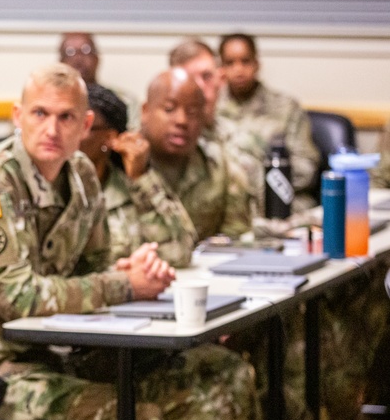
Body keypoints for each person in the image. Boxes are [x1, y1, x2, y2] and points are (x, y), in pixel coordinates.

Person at [0, 63, 340, 420]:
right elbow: (12, 296)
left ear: (87, 124)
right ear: (17, 117)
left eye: (66, 117)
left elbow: (92, 268)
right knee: (132, 416)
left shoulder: (80, 176)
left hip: (43, 353)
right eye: (39, 114)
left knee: (217, 371)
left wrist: (132, 269)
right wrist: (123, 284)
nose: (52, 129)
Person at [79, 83, 197, 267]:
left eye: (83, 126)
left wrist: (140, 178)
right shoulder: (55, 184)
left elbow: (179, 252)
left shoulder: (131, 184)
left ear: (110, 137)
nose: (63, 131)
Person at [142, 69, 253, 240]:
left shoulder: (219, 165)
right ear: (145, 111)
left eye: (192, 112)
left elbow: (237, 241)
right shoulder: (122, 164)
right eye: (169, 109)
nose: (182, 121)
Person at [216, 33, 320, 211]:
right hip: (227, 207)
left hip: (277, 202)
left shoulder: (286, 108)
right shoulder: (211, 109)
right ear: (221, 68)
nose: (239, 70)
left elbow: (306, 167)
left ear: (257, 64)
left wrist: (254, 179)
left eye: (245, 61)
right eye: (230, 63)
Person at [59, 32, 140, 129]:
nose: (78, 58)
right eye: (70, 52)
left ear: (97, 58)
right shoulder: (53, 102)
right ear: (61, 62)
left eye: (86, 50)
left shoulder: (125, 100)